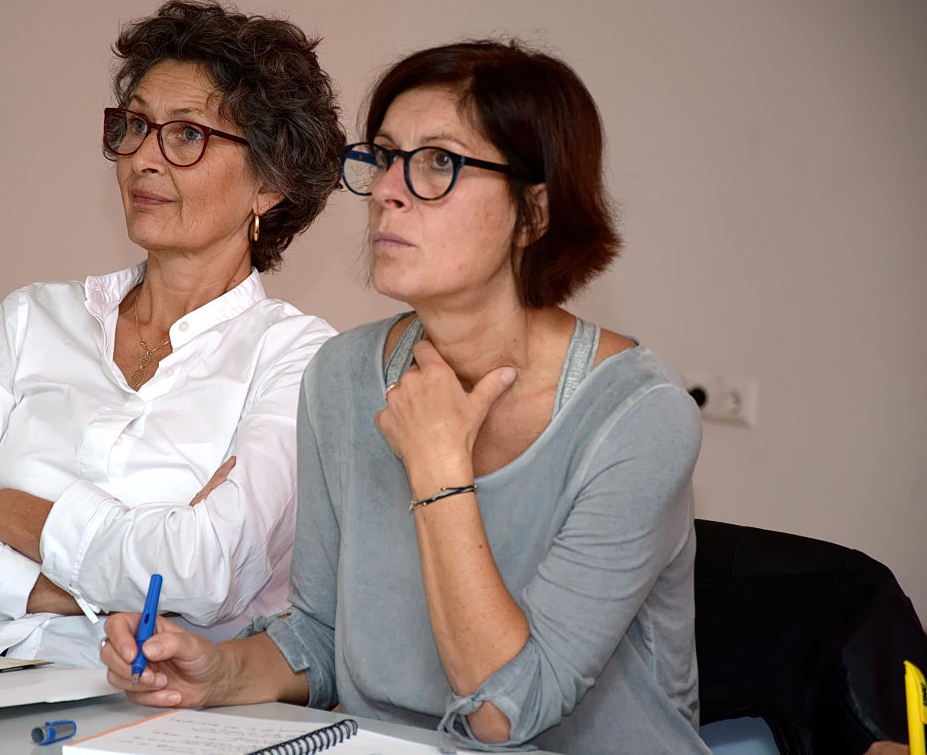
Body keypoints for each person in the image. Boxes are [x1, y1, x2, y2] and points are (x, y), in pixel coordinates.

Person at [102, 40, 710, 753]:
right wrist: (218, 673)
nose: (389, 190)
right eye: (386, 157)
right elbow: (321, 635)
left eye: (438, 163)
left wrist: (440, 471)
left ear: (534, 213)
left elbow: (504, 712)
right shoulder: (341, 375)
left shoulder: (639, 417)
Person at [0, 0, 343, 667]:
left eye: (187, 134)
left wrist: (7, 515)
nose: (142, 159)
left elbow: (206, 573)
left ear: (270, 183)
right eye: (135, 125)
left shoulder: (297, 356)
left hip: (134, 695)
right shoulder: (31, 317)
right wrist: (67, 591)